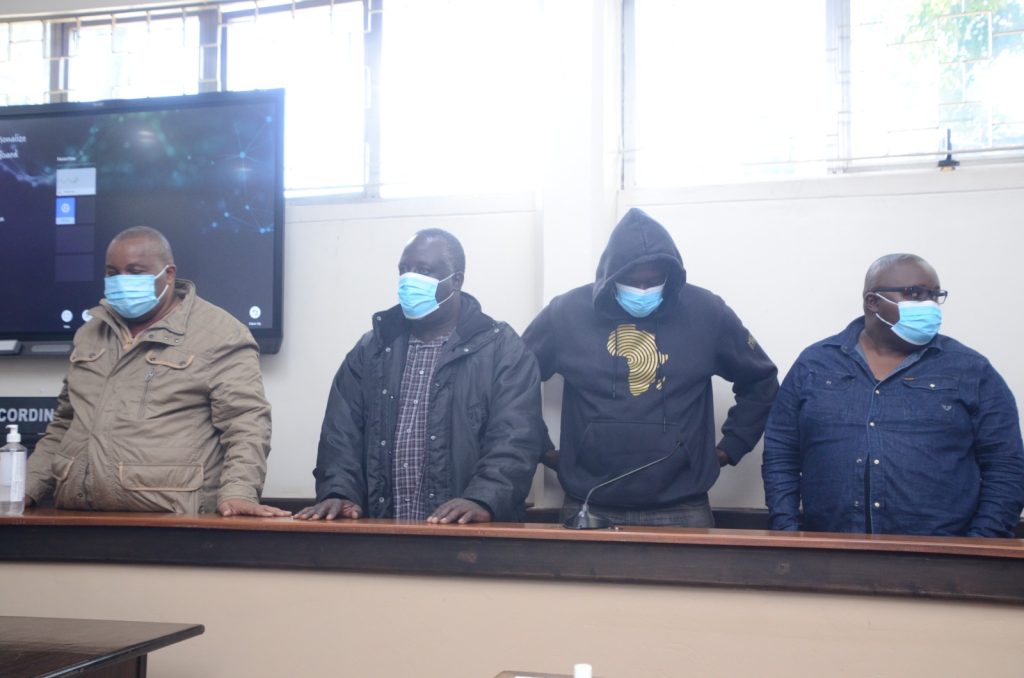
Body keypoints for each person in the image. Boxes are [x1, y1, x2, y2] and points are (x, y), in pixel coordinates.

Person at [522, 208, 779, 527]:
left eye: (654, 281)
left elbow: (761, 381)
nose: (643, 290)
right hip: (589, 502)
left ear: (671, 276)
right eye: (632, 281)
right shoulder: (566, 313)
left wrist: (730, 447)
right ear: (610, 276)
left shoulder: (707, 313)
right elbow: (514, 382)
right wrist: (542, 449)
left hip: (683, 506)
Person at [25, 226, 287, 517]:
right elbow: (65, 424)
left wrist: (239, 492)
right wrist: (25, 488)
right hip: (77, 516)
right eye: (113, 273)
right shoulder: (90, 333)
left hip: (172, 520)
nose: (122, 281)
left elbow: (246, 423)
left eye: (135, 272)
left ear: (169, 274)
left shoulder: (220, 334)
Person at [762, 253, 1024, 537]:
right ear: (872, 302)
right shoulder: (815, 364)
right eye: (915, 293)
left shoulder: (971, 369)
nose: (928, 305)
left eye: (934, 296)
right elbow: (781, 452)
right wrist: (787, 532)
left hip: (944, 554)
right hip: (831, 550)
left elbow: (1006, 465)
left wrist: (981, 542)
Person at [296, 229, 542, 524]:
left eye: (424, 270)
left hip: (470, 538)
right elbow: (340, 435)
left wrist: (483, 498)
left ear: (456, 281)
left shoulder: (501, 348)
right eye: (404, 270)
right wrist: (339, 491)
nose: (409, 279)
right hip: (381, 533)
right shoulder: (371, 349)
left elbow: (516, 438)